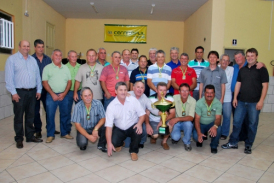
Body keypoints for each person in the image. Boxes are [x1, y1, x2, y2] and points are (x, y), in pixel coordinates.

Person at [222, 48, 269, 154]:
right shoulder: (242, 69)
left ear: (256, 56)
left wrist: (261, 101)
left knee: (252, 124)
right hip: (241, 101)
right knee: (237, 122)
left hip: (254, 102)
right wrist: (235, 98)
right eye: (248, 56)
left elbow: (265, 86)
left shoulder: (261, 69)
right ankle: (233, 142)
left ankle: (248, 145)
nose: (250, 58)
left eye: (252, 56)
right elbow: (238, 83)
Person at [5, 40, 43, 148]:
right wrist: (13, 93)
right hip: (19, 92)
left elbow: (37, 77)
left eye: (28, 46)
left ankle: (30, 136)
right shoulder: (12, 60)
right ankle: (19, 138)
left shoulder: (32, 60)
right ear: (19, 47)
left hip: (32, 92)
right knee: (19, 116)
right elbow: (9, 78)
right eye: (24, 46)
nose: (26, 48)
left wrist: (39, 90)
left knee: (30, 115)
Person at [105, 82, 146, 161]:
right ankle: (121, 143)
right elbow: (109, 127)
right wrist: (109, 144)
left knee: (138, 130)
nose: (123, 92)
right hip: (119, 128)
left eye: (125, 90)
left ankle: (133, 151)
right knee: (114, 142)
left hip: (132, 126)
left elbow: (142, 114)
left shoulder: (133, 100)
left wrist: (140, 124)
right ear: (116, 91)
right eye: (120, 90)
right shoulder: (111, 106)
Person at [42, 49, 72, 143]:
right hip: (51, 96)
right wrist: (52, 94)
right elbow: (45, 82)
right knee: (50, 115)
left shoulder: (66, 68)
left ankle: (64, 133)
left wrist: (64, 93)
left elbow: (69, 82)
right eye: (56, 55)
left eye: (60, 55)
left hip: (64, 95)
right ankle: (50, 134)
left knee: (65, 114)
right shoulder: (47, 68)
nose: (58, 57)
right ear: (52, 56)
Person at [32, 39, 58, 138]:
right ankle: (38, 130)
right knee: (36, 111)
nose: (41, 49)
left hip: (47, 89)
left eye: (42, 47)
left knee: (49, 110)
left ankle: (50, 128)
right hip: (35, 89)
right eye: (39, 47)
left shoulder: (48, 59)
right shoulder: (31, 59)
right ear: (35, 48)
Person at [126, 81, 160, 148]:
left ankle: (141, 141)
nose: (139, 89)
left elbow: (153, 109)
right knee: (127, 145)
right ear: (133, 88)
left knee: (144, 129)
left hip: (139, 121)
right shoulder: (127, 95)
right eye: (138, 87)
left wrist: (161, 113)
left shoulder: (145, 98)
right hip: (127, 121)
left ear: (144, 90)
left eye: (142, 88)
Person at [71, 87, 107, 152]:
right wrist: (88, 136)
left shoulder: (98, 103)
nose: (88, 98)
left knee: (106, 125)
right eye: (85, 96)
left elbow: (103, 118)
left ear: (92, 95)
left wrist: (96, 129)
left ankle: (101, 144)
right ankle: (85, 138)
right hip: (83, 128)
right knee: (82, 144)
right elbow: (77, 125)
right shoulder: (77, 107)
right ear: (81, 97)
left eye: (89, 95)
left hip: (95, 127)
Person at [193, 85, 222, 154]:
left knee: (219, 128)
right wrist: (199, 133)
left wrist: (215, 126)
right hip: (201, 123)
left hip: (211, 123)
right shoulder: (199, 103)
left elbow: (218, 118)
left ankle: (214, 146)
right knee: (196, 136)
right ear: (204, 93)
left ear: (214, 94)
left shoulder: (218, 103)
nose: (209, 95)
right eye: (207, 93)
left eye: (211, 93)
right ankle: (200, 138)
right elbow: (196, 119)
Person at [148, 82, 175, 150]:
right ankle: (153, 137)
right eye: (160, 90)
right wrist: (147, 124)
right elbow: (146, 113)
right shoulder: (150, 99)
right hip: (153, 120)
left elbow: (173, 113)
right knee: (155, 135)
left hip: (165, 119)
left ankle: (164, 142)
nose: (163, 92)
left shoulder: (170, 98)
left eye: (164, 90)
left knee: (170, 124)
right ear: (156, 90)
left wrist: (162, 121)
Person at [169, 83, 196, 151]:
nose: (184, 93)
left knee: (189, 124)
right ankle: (175, 138)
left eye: (186, 91)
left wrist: (178, 118)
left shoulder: (193, 101)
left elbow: (191, 117)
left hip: (185, 121)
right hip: (176, 123)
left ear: (189, 92)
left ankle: (187, 142)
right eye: (182, 91)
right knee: (175, 137)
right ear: (179, 92)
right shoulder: (174, 98)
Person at [66, 50, 81, 135]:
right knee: (67, 111)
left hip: (79, 91)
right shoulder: (64, 67)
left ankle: (81, 129)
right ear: (68, 57)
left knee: (80, 111)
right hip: (68, 92)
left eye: (76, 56)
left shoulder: (80, 66)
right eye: (72, 56)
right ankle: (67, 131)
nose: (74, 58)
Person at [219, 54, 234, 140]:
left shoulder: (232, 69)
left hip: (227, 96)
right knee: (216, 116)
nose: (225, 62)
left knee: (227, 116)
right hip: (217, 96)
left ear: (229, 62)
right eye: (223, 60)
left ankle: (224, 133)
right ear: (220, 61)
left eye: (227, 60)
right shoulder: (216, 68)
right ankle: (216, 132)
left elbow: (243, 64)